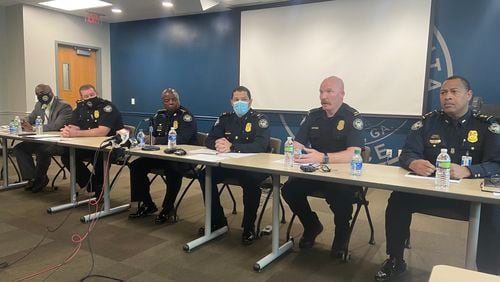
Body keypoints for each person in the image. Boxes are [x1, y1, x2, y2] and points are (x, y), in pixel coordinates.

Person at [375, 75, 500, 281]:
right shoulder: (428, 122)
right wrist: (413, 163)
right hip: (430, 190)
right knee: (398, 200)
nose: (447, 97)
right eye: (443, 93)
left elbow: (496, 164)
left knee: (493, 211)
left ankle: (488, 272)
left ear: (469, 96)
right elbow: (407, 153)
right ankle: (395, 259)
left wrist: (469, 171)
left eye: (454, 92)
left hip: (470, 198)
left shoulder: (486, 126)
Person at [281, 76, 364, 257]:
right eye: (321, 92)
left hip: (340, 175)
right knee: (289, 189)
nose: (323, 96)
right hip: (314, 171)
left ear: (342, 94)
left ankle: (341, 234)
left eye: (329, 92)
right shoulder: (313, 115)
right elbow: (297, 143)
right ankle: (312, 225)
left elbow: (354, 153)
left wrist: (323, 158)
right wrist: (298, 150)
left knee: (340, 195)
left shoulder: (352, 117)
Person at [198, 86, 270, 245]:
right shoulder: (225, 119)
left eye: (243, 99)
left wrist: (232, 147)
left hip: (251, 167)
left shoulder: (260, 119)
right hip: (229, 165)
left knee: (251, 182)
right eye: (236, 100)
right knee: (204, 175)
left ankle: (249, 227)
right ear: (231, 102)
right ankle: (217, 220)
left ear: (250, 101)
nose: (240, 103)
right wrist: (219, 144)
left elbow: (261, 145)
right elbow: (209, 140)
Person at [128, 88, 197, 224]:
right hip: (160, 156)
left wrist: (156, 140)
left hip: (182, 158)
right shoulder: (159, 115)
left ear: (178, 100)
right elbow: (152, 133)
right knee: (136, 165)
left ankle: (168, 208)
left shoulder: (186, 116)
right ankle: (147, 204)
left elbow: (182, 138)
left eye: (173, 99)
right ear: (163, 102)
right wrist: (148, 138)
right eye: (167, 100)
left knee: (173, 169)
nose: (170, 102)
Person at [60, 84, 124, 197]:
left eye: (92, 95)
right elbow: (74, 126)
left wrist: (77, 134)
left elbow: (102, 131)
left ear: (97, 94)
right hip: (88, 145)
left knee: (100, 157)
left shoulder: (107, 107)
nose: (89, 98)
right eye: (86, 97)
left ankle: (100, 190)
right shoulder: (80, 108)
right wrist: (68, 131)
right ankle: (91, 185)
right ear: (82, 98)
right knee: (67, 155)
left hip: (109, 147)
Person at [13, 84, 72, 192]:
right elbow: (31, 118)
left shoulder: (64, 106)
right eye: (37, 94)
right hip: (41, 139)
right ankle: (32, 178)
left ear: (50, 92)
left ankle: (40, 179)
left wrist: (34, 129)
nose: (40, 96)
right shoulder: (39, 105)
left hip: (57, 141)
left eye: (42, 93)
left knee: (42, 151)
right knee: (19, 148)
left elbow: (56, 125)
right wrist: (23, 122)